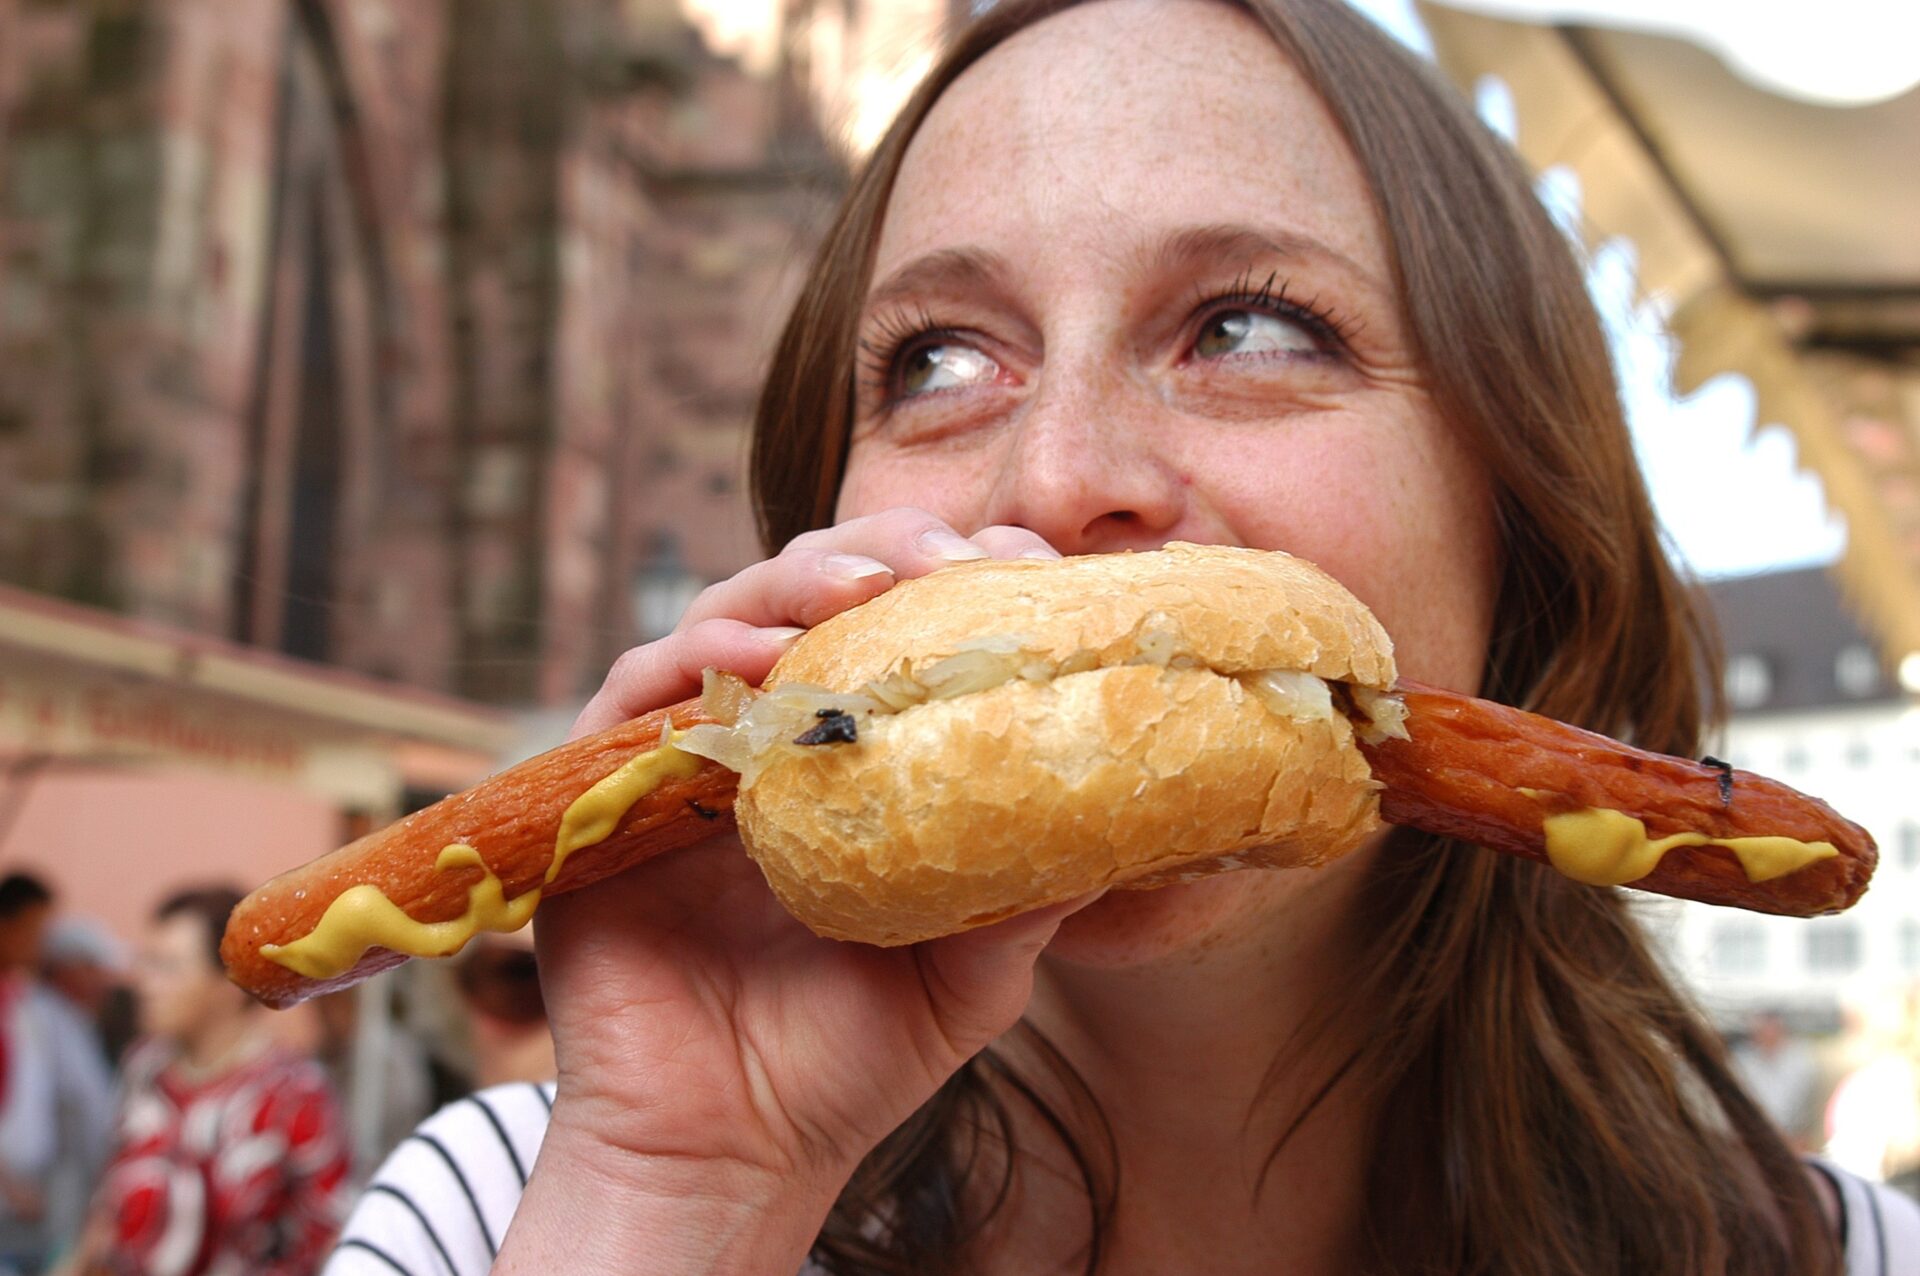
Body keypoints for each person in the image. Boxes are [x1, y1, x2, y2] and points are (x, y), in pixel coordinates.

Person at [325, 2, 1920, 1273]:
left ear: (1522, 515)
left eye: (1247, 327)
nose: (1059, 476)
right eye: (941, 360)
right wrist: (683, 1199)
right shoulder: (504, 1215)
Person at [60, 888, 349, 1276]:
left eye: (167, 966)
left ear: (229, 983)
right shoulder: (144, 1068)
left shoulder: (294, 1092)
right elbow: (106, 1215)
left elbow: (329, 1236)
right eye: (147, 962)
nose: (144, 982)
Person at [0, 875, 115, 1276]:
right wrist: (7, 1181)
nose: (40, 943)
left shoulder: (25, 1004)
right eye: (34, 929)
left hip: (30, 1196)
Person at [1734, 1009, 1822, 1152]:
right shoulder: (1743, 1061)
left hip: (1793, 1137)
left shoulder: (1801, 1059)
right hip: (1755, 1136)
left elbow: (1805, 1103)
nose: (1768, 1034)